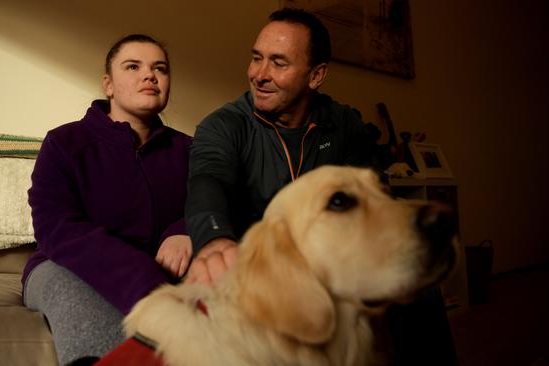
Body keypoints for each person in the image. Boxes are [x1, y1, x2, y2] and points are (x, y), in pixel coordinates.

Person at [184, 8, 458, 365]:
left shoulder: (345, 124)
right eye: (256, 58)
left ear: (316, 75)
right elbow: (209, 180)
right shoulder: (222, 126)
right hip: (272, 271)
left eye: (278, 63)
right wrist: (214, 239)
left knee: (422, 294)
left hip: (338, 265)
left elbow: (378, 196)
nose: (260, 75)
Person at [21, 34, 192, 366]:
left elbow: (216, 203)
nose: (150, 75)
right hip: (62, 266)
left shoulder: (191, 150)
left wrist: (184, 229)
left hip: (160, 274)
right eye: (133, 66)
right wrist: (144, 279)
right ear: (108, 85)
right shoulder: (64, 142)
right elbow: (55, 227)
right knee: (74, 292)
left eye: (160, 68)